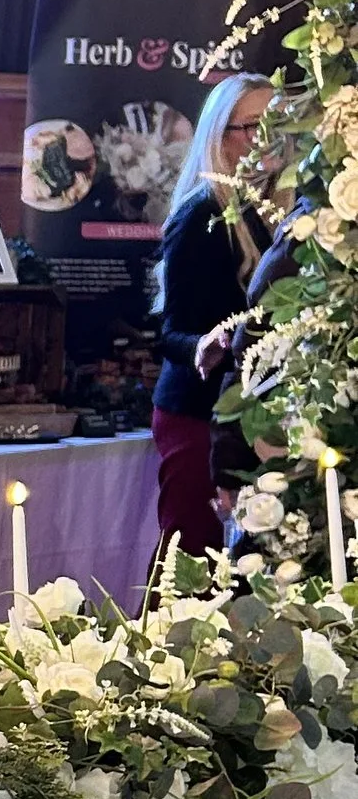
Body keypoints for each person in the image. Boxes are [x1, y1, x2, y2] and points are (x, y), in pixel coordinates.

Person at [149, 70, 274, 553]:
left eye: (276, 123)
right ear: (219, 137)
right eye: (252, 126)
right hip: (197, 414)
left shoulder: (282, 210)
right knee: (188, 561)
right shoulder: (200, 214)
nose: (267, 137)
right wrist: (203, 344)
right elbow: (169, 333)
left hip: (250, 415)